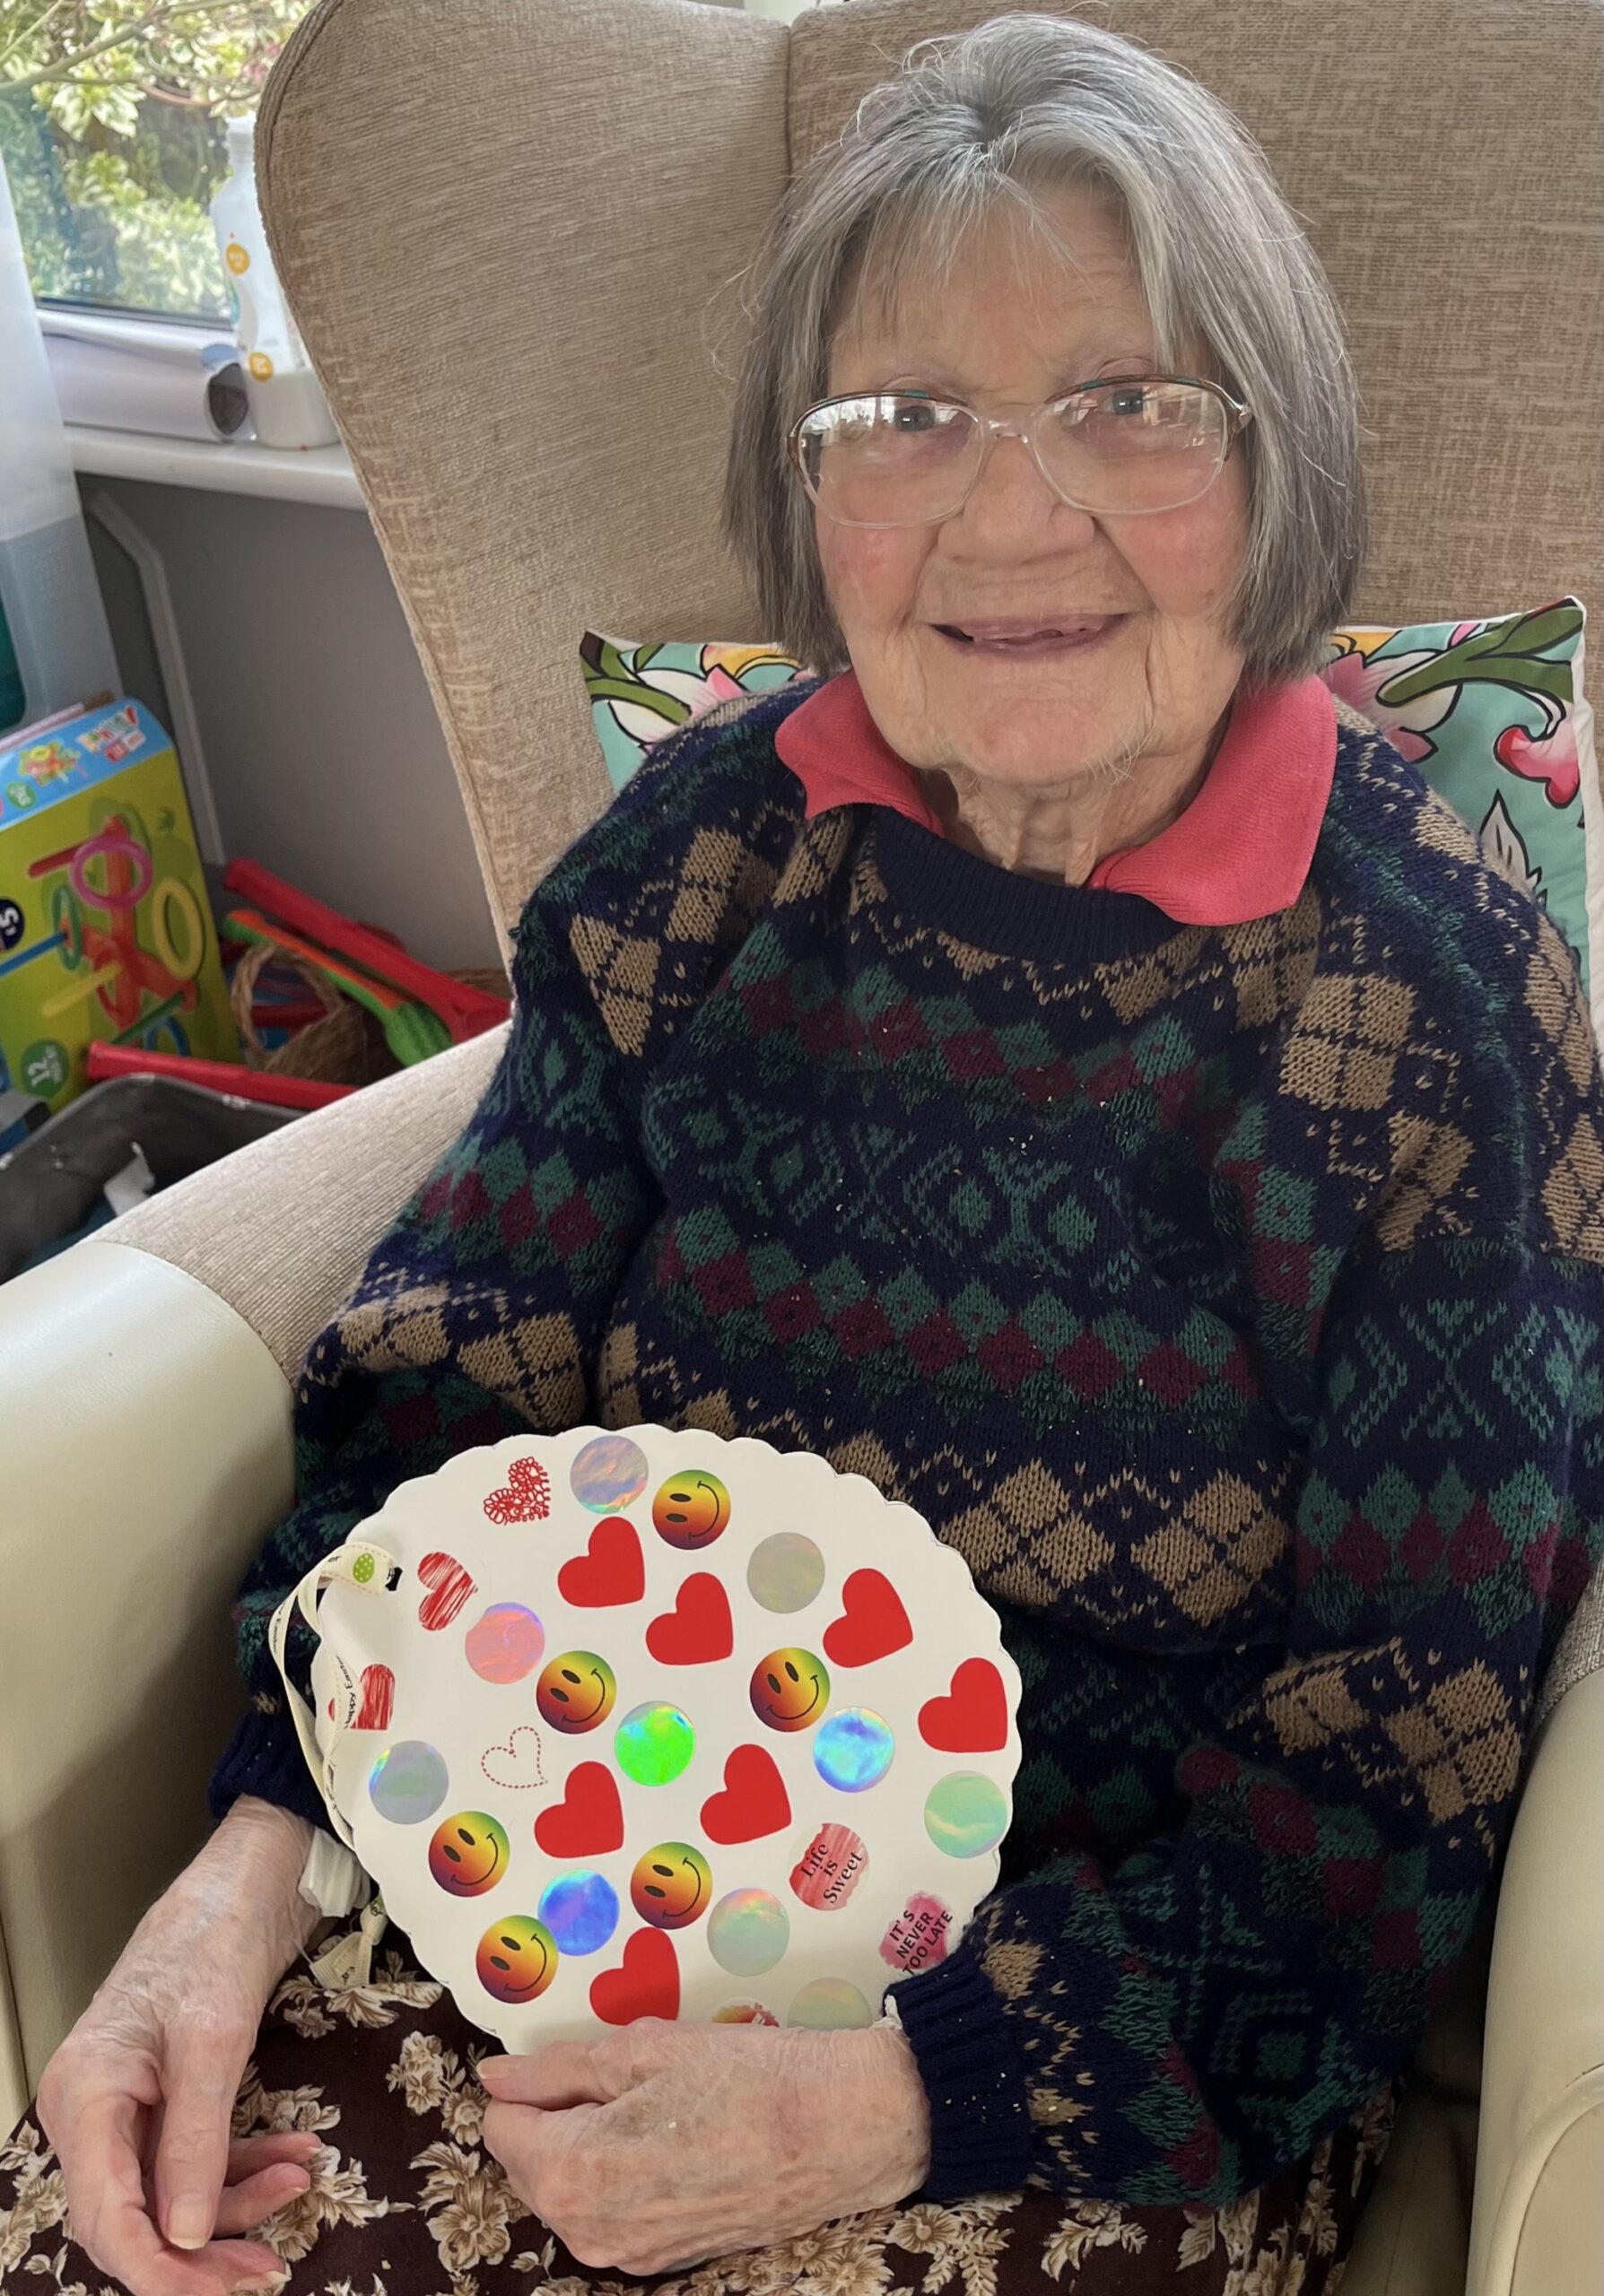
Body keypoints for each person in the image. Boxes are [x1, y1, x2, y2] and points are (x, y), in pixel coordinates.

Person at [13, 13, 1603, 2296]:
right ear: (811, 491)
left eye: (1130, 401)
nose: (1009, 507)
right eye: (906, 418)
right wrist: (245, 1863)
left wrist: (888, 2092)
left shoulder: (1428, 999)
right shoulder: (706, 859)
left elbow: (1405, 1763)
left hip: (1104, 2035)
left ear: (1273, 467)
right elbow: (446, 1378)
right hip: (549, 1874)